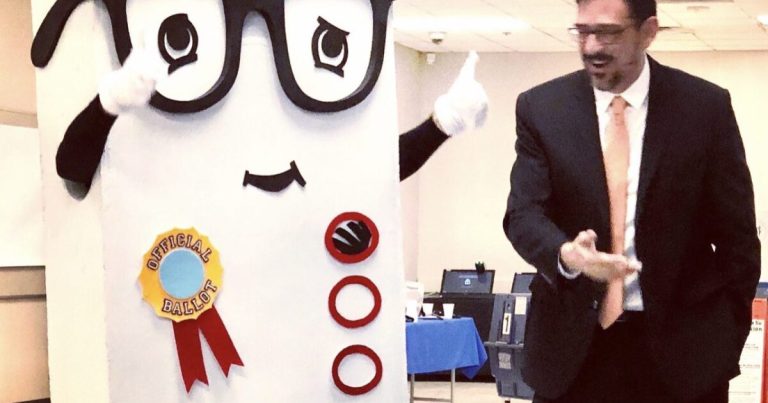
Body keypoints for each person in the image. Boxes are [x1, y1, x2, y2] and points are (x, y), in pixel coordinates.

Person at [502, 0, 760, 402]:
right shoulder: (543, 108)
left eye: (607, 32)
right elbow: (523, 214)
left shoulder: (703, 108)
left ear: (648, 31)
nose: (591, 46)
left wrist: (726, 336)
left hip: (685, 357)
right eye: (582, 31)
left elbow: (738, 237)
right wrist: (567, 255)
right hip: (572, 354)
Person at [55, 49, 487, 194]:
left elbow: (373, 170)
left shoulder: (303, 128)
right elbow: (72, 172)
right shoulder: (185, 137)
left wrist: (442, 123)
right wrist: (108, 103)